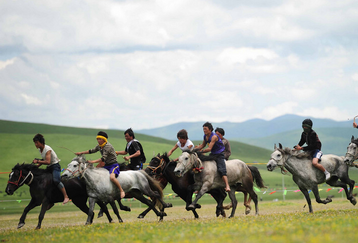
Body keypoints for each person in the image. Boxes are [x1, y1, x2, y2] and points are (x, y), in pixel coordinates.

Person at [75, 131, 125, 198]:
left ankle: (121, 190)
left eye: (100, 139)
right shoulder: (99, 146)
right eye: (97, 139)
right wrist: (81, 153)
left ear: (104, 139)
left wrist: (92, 161)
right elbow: (91, 151)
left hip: (113, 165)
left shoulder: (108, 146)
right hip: (106, 165)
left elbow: (103, 158)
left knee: (112, 177)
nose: (98, 140)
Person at [32, 134, 70, 204]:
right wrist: (36, 166)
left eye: (36, 142)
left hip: (55, 166)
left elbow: (48, 161)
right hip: (49, 167)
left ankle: (66, 196)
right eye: (35, 143)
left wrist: (37, 161)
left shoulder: (47, 149)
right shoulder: (40, 150)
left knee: (56, 181)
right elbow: (44, 160)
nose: (35, 144)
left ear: (41, 142)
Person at [195, 122, 231, 192]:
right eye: (203, 129)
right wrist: (194, 150)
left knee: (221, 169)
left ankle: (227, 185)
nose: (204, 130)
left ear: (210, 129)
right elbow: (202, 145)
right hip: (213, 154)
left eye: (205, 129)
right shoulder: (205, 136)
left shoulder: (214, 137)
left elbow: (209, 148)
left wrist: (200, 152)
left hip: (220, 154)